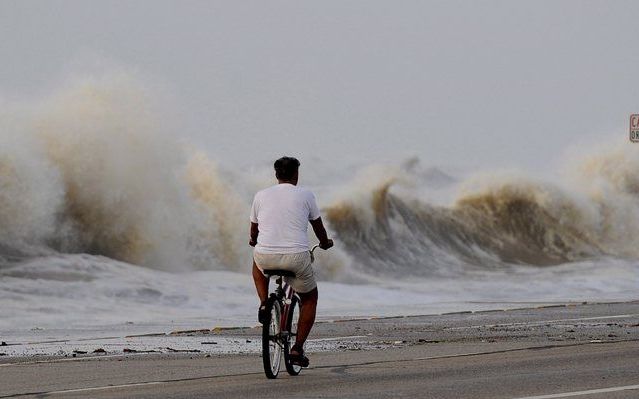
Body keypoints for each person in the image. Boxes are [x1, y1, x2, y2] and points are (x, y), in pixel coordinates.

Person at [249, 156, 333, 368]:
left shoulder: (261, 195)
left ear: (276, 175)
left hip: (266, 255)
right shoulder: (306, 194)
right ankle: (297, 348)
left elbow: (253, 231)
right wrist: (325, 242)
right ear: (296, 174)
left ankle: (264, 303)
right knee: (310, 298)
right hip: (296, 257)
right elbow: (318, 227)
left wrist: (254, 241)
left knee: (257, 264)